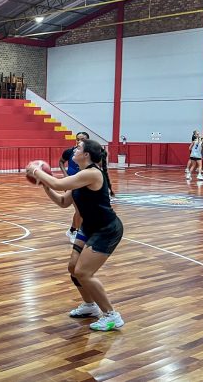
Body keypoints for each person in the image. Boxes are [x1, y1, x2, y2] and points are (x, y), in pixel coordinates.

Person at [28, 139, 125, 332]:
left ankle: (112, 316)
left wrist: (36, 170)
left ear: (87, 154)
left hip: (106, 229)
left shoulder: (92, 174)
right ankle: (90, 305)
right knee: (73, 267)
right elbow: (63, 201)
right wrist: (45, 186)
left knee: (83, 272)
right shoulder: (81, 175)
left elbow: (57, 182)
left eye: (78, 147)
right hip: (89, 227)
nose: (74, 149)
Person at [59, 132, 89, 242]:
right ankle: (75, 232)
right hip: (71, 183)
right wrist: (66, 175)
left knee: (81, 210)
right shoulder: (70, 151)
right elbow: (61, 162)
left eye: (82, 139)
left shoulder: (89, 154)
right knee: (80, 210)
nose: (79, 141)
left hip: (83, 184)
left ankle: (72, 230)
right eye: (77, 139)